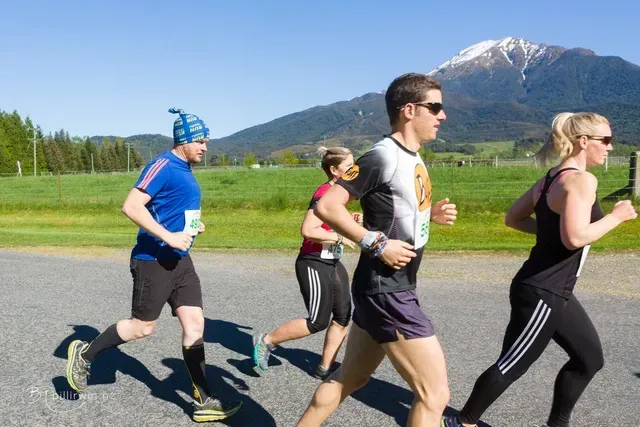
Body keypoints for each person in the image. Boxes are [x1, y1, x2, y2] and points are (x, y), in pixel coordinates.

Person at [442, 112, 637, 427]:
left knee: (589, 359)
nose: (610, 147)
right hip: (542, 290)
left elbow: (513, 218)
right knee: (512, 365)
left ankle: (556, 425)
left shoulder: (551, 178)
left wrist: (551, 234)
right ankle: (460, 422)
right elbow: (574, 238)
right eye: (606, 140)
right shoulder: (582, 180)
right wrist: (615, 217)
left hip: (554, 290)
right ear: (583, 142)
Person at [297, 73, 458, 427]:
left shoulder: (411, 156)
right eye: (435, 107)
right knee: (434, 395)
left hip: (386, 287)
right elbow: (328, 207)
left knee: (351, 378)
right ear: (409, 110)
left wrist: (431, 214)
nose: (442, 115)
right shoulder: (381, 156)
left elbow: (394, 210)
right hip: (389, 290)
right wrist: (374, 242)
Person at [66, 108, 242, 423]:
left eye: (206, 142)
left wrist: (192, 227)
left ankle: (203, 400)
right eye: (200, 141)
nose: (205, 147)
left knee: (195, 325)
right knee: (143, 327)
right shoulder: (162, 164)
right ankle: (84, 354)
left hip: (180, 261)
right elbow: (131, 205)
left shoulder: (186, 169)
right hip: (153, 260)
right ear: (185, 140)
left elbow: (172, 207)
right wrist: (168, 236)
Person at [252, 146, 358, 380]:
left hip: (332, 260)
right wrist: (340, 236)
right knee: (317, 321)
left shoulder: (339, 193)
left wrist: (350, 220)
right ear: (334, 170)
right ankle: (266, 341)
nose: (354, 171)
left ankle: (325, 367)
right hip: (313, 262)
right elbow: (308, 229)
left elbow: (329, 221)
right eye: (349, 167)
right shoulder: (324, 193)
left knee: (342, 315)